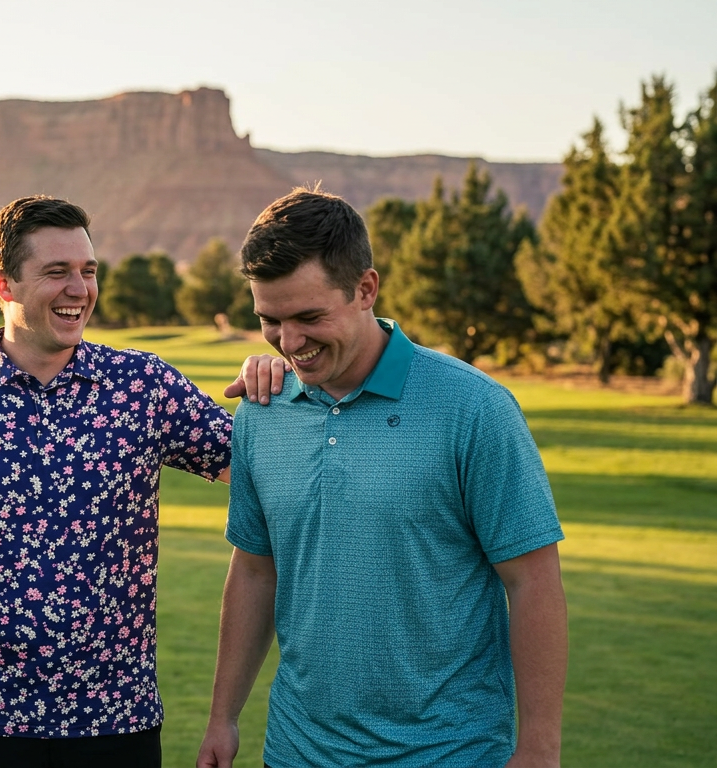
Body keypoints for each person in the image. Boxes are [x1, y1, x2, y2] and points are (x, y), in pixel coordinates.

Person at [197, 188, 568, 768]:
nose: (290, 344)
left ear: (366, 289)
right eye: (270, 320)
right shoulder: (261, 412)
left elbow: (533, 580)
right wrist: (223, 718)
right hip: (296, 750)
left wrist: (540, 746)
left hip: (451, 751)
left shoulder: (474, 408)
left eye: (310, 317)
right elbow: (254, 570)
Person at [0, 195, 238, 768]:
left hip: (117, 720)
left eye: (88, 271)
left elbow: (254, 464)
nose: (80, 289)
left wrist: (278, 387)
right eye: (57, 272)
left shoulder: (142, 387)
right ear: (4, 283)